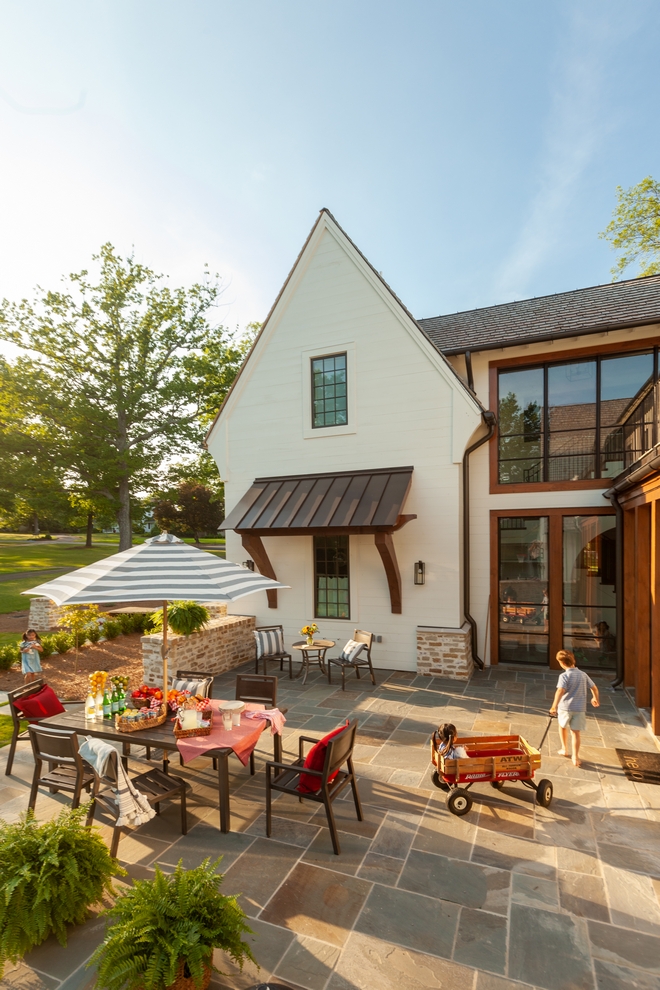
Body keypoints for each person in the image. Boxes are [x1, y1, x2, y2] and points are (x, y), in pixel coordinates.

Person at [549, 649, 599, 767]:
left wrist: (554, 706)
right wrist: (595, 698)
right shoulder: (583, 675)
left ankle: (564, 749)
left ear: (561, 663)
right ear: (573, 661)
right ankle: (575, 757)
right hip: (580, 708)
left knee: (562, 726)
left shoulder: (564, 676)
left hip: (565, 708)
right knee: (576, 733)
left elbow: (560, 690)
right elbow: (594, 687)